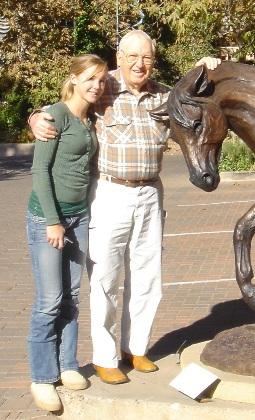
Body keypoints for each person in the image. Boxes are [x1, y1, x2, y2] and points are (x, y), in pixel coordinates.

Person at [29, 30, 221, 386]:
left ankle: (136, 349)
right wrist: (37, 116)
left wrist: (207, 67)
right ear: (119, 57)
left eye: (146, 57)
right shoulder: (103, 87)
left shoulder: (164, 95)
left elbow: (200, 97)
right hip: (109, 193)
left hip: (151, 194)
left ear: (154, 60)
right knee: (105, 277)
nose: (139, 64)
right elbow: (67, 105)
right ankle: (104, 357)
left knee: (148, 276)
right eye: (132, 56)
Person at [27, 54, 107, 411]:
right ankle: (42, 377)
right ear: (74, 79)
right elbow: (40, 171)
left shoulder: (88, 118)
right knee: (49, 300)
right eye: (90, 78)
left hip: (79, 217)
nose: (97, 86)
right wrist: (52, 220)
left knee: (72, 296)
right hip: (49, 219)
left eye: (102, 80)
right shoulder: (54, 115)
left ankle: (67, 364)